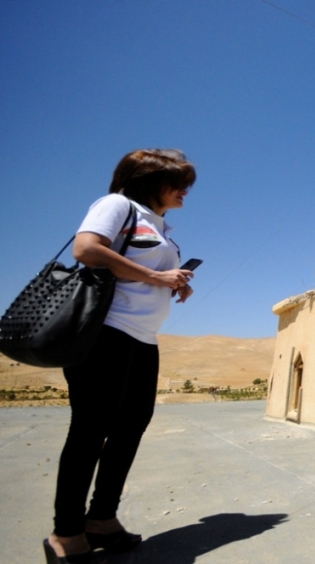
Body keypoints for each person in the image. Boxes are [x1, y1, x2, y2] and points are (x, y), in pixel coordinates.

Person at [44, 149, 197, 563]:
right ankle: (66, 531)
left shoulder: (163, 228)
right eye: (177, 182)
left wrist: (172, 283)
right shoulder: (117, 206)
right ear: (149, 181)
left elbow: (142, 273)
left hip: (143, 340)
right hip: (104, 334)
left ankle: (102, 519)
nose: (185, 190)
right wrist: (155, 275)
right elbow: (86, 249)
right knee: (91, 430)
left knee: (131, 428)